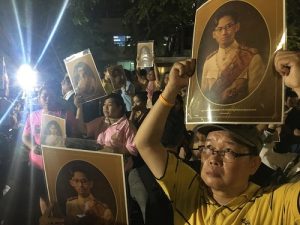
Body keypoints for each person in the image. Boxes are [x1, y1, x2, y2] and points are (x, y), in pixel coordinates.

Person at [134, 51, 300, 225]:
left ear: (253, 164)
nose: (213, 158)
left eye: (228, 150)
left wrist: (298, 85)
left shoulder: (274, 205)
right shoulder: (190, 192)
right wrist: (171, 90)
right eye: (208, 147)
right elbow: (145, 143)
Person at [201, 10, 265, 104]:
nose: (224, 32)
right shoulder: (208, 62)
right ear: (214, 34)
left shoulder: (252, 58)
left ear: (237, 27)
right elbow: (203, 97)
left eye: (228, 26)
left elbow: (256, 100)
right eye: (219, 29)